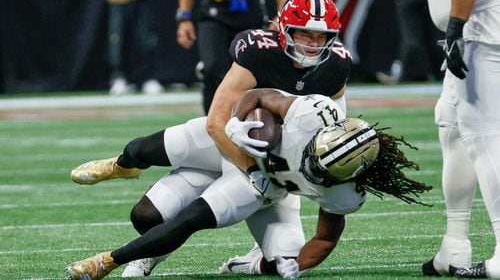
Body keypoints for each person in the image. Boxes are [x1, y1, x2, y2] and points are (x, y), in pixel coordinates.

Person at [70, 0, 352, 276]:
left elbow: (333, 129)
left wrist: (276, 174)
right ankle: (123, 167)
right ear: (284, 29)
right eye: (305, 34)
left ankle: (248, 263)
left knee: (285, 261)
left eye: (321, 36)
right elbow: (217, 121)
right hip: (230, 138)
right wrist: (250, 164)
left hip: (271, 175)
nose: (313, 44)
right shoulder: (259, 50)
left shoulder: (335, 67)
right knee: (143, 179)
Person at [66, 88, 432, 280]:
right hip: (230, 144)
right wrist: (242, 120)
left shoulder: (345, 193)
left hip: (263, 187)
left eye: (325, 172)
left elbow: (324, 239)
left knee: (195, 221)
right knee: (141, 169)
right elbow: (258, 95)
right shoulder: (311, 114)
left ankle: (109, 262)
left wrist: (300, 264)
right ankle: (121, 166)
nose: (315, 170)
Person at [422, 0, 500, 278]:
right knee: (451, 121)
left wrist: (456, 28)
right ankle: (454, 245)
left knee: (485, 137)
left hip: (484, 31)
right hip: (481, 26)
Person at [176, 0, 286, 113]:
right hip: (214, 13)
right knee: (212, 67)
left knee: (255, 70)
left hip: (251, 13)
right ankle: (211, 120)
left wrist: (281, 15)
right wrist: (184, 17)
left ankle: (250, 118)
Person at [106, 0, 165, 95]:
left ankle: (148, 78)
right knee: (117, 40)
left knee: (145, 38)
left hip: (143, 1)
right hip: (118, 1)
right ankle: (118, 77)